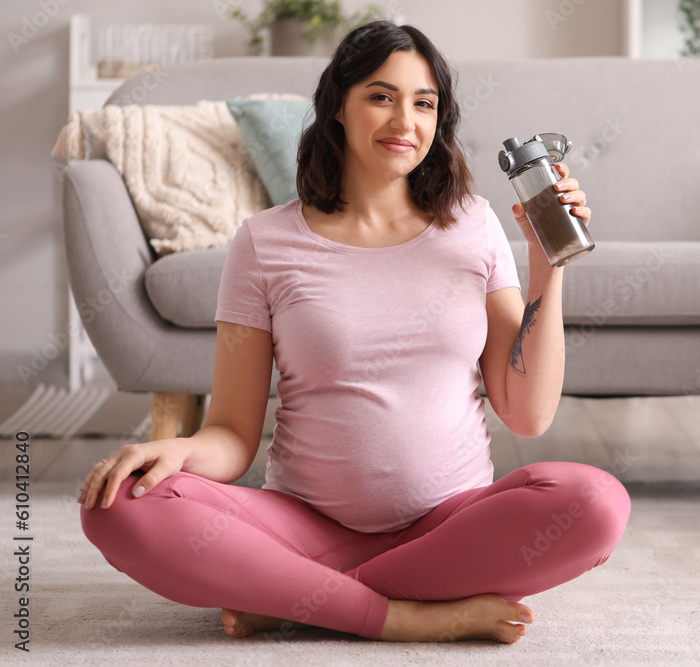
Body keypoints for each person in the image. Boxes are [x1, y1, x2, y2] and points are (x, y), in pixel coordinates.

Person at [79, 19, 631, 645]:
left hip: (447, 526)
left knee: (597, 503)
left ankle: (295, 596)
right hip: (302, 523)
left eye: (424, 103)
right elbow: (233, 434)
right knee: (116, 504)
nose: (405, 121)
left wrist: (544, 263)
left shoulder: (473, 226)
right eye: (380, 96)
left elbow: (527, 414)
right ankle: (407, 613)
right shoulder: (264, 243)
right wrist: (178, 452)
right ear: (337, 106)